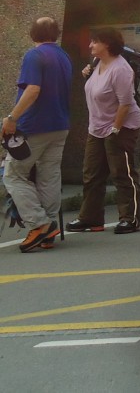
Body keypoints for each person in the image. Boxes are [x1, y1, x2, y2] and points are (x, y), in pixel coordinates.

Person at [3, 17, 71, 253]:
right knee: (49, 176)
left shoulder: (34, 55)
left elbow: (32, 89)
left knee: (13, 175)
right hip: (60, 124)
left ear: (33, 33)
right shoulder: (63, 56)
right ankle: (49, 228)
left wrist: (12, 118)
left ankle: (40, 224)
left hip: (35, 126)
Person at [69, 27, 140, 235]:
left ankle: (130, 218)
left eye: (95, 41)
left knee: (122, 173)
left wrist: (116, 129)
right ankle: (91, 218)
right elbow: (98, 91)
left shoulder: (121, 69)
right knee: (91, 174)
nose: (91, 45)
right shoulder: (97, 63)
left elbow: (125, 103)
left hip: (120, 127)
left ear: (107, 44)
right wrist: (87, 75)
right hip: (97, 127)